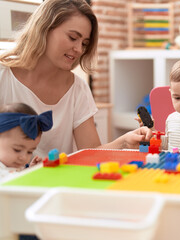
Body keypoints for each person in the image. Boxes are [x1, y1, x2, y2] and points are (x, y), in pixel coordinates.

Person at [0, 0, 152, 158]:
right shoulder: (3, 76)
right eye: (73, 38)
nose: (79, 49)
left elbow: (90, 152)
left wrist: (125, 142)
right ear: (44, 28)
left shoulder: (78, 88)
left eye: (85, 43)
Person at [0, 103, 53, 179]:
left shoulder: (14, 165)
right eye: (17, 150)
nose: (24, 157)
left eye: (30, 152)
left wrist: (30, 170)